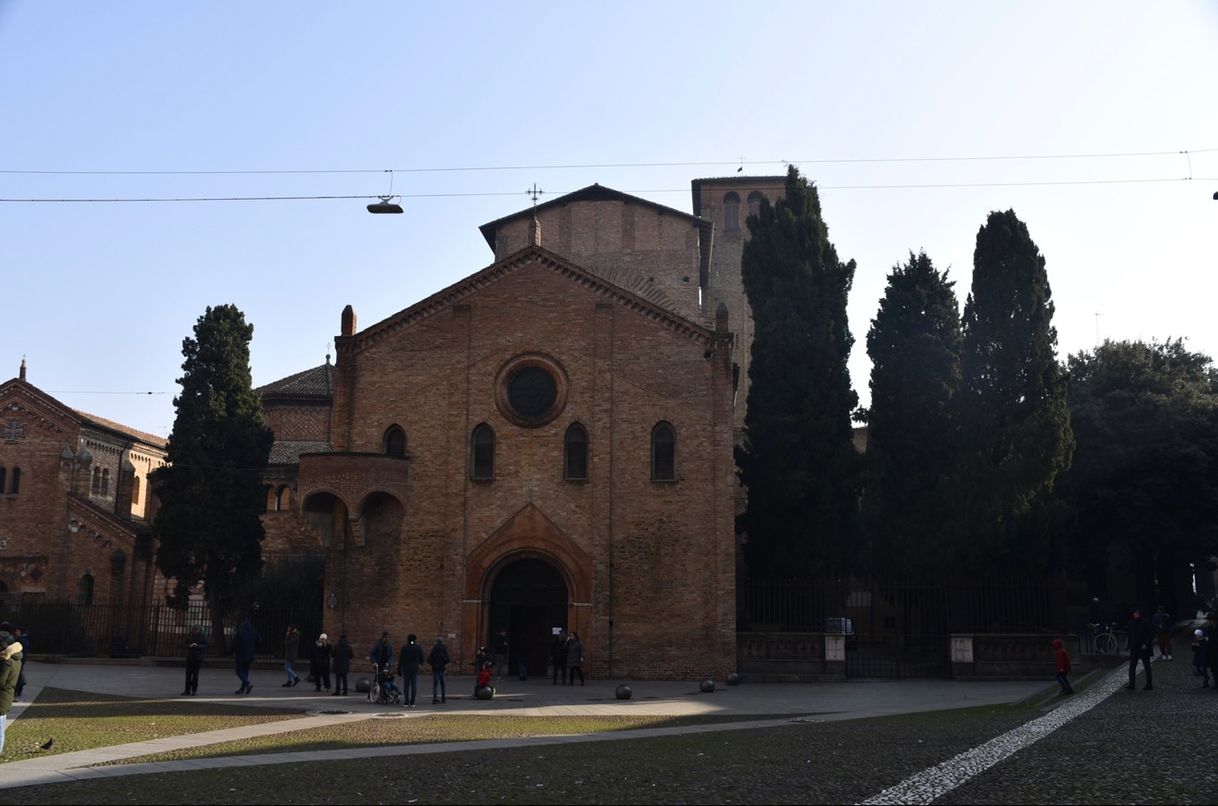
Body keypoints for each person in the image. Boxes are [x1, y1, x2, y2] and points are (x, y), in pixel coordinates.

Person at [0, 628, 24, 755]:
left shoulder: (6, 661)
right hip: (7, 696)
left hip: (1, 697)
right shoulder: (16, 658)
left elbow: (1, 681)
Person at [1125, 608, 1155, 691]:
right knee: (1132, 667)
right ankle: (1131, 684)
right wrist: (1129, 645)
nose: (1136, 615)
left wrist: (1146, 643)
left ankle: (1149, 684)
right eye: (1135, 613)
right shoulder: (1130, 622)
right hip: (1134, 648)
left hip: (1143, 648)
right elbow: (1130, 635)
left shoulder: (1145, 622)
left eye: (1138, 614)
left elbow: (1150, 634)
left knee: (1147, 666)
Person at [231, 617, 260, 695]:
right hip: (250, 655)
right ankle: (242, 688)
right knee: (246, 671)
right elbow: (259, 640)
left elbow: (234, 644)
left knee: (239, 671)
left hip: (240, 654)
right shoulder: (254, 631)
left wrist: (230, 652)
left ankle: (247, 683)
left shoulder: (240, 632)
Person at [397, 633, 425, 707]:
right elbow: (422, 658)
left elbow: (401, 659)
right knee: (414, 685)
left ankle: (406, 702)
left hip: (406, 668)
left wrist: (399, 669)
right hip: (415, 668)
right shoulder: (418, 647)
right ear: (415, 640)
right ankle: (412, 702)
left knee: (406, 685)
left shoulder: (404, 648)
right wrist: (420, 664)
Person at [182, 625, 207, 696]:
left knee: (195, 675)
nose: (194, 631)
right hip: (190, 657)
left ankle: (194, 690)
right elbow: (185, 643)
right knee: (188, 675)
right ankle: (187, 690)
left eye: (195, 630)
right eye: (193, 629)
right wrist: (189, 645)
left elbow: (205, 645)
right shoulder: (190, 635)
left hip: (197, 658)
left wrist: (197, 646)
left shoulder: (202, 636)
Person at [427, 636, 450, 704]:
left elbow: (429, 659)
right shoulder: (444, 649)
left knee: (435, 684)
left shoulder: (434, 649)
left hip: (435, 668)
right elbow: (448, 659)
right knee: (442, 683)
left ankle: (435, 698)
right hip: (442, 668)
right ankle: (443, 697)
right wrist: (444, 663)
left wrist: (433, 664)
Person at [12, 626, 28, 701]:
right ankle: (19, 689)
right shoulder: (24, 639)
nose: (16, 632)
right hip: (22, 659)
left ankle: (18, 691)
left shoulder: (20, 640)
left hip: (19, 659)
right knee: (19, 674)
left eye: (17, 631)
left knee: (17, 676)